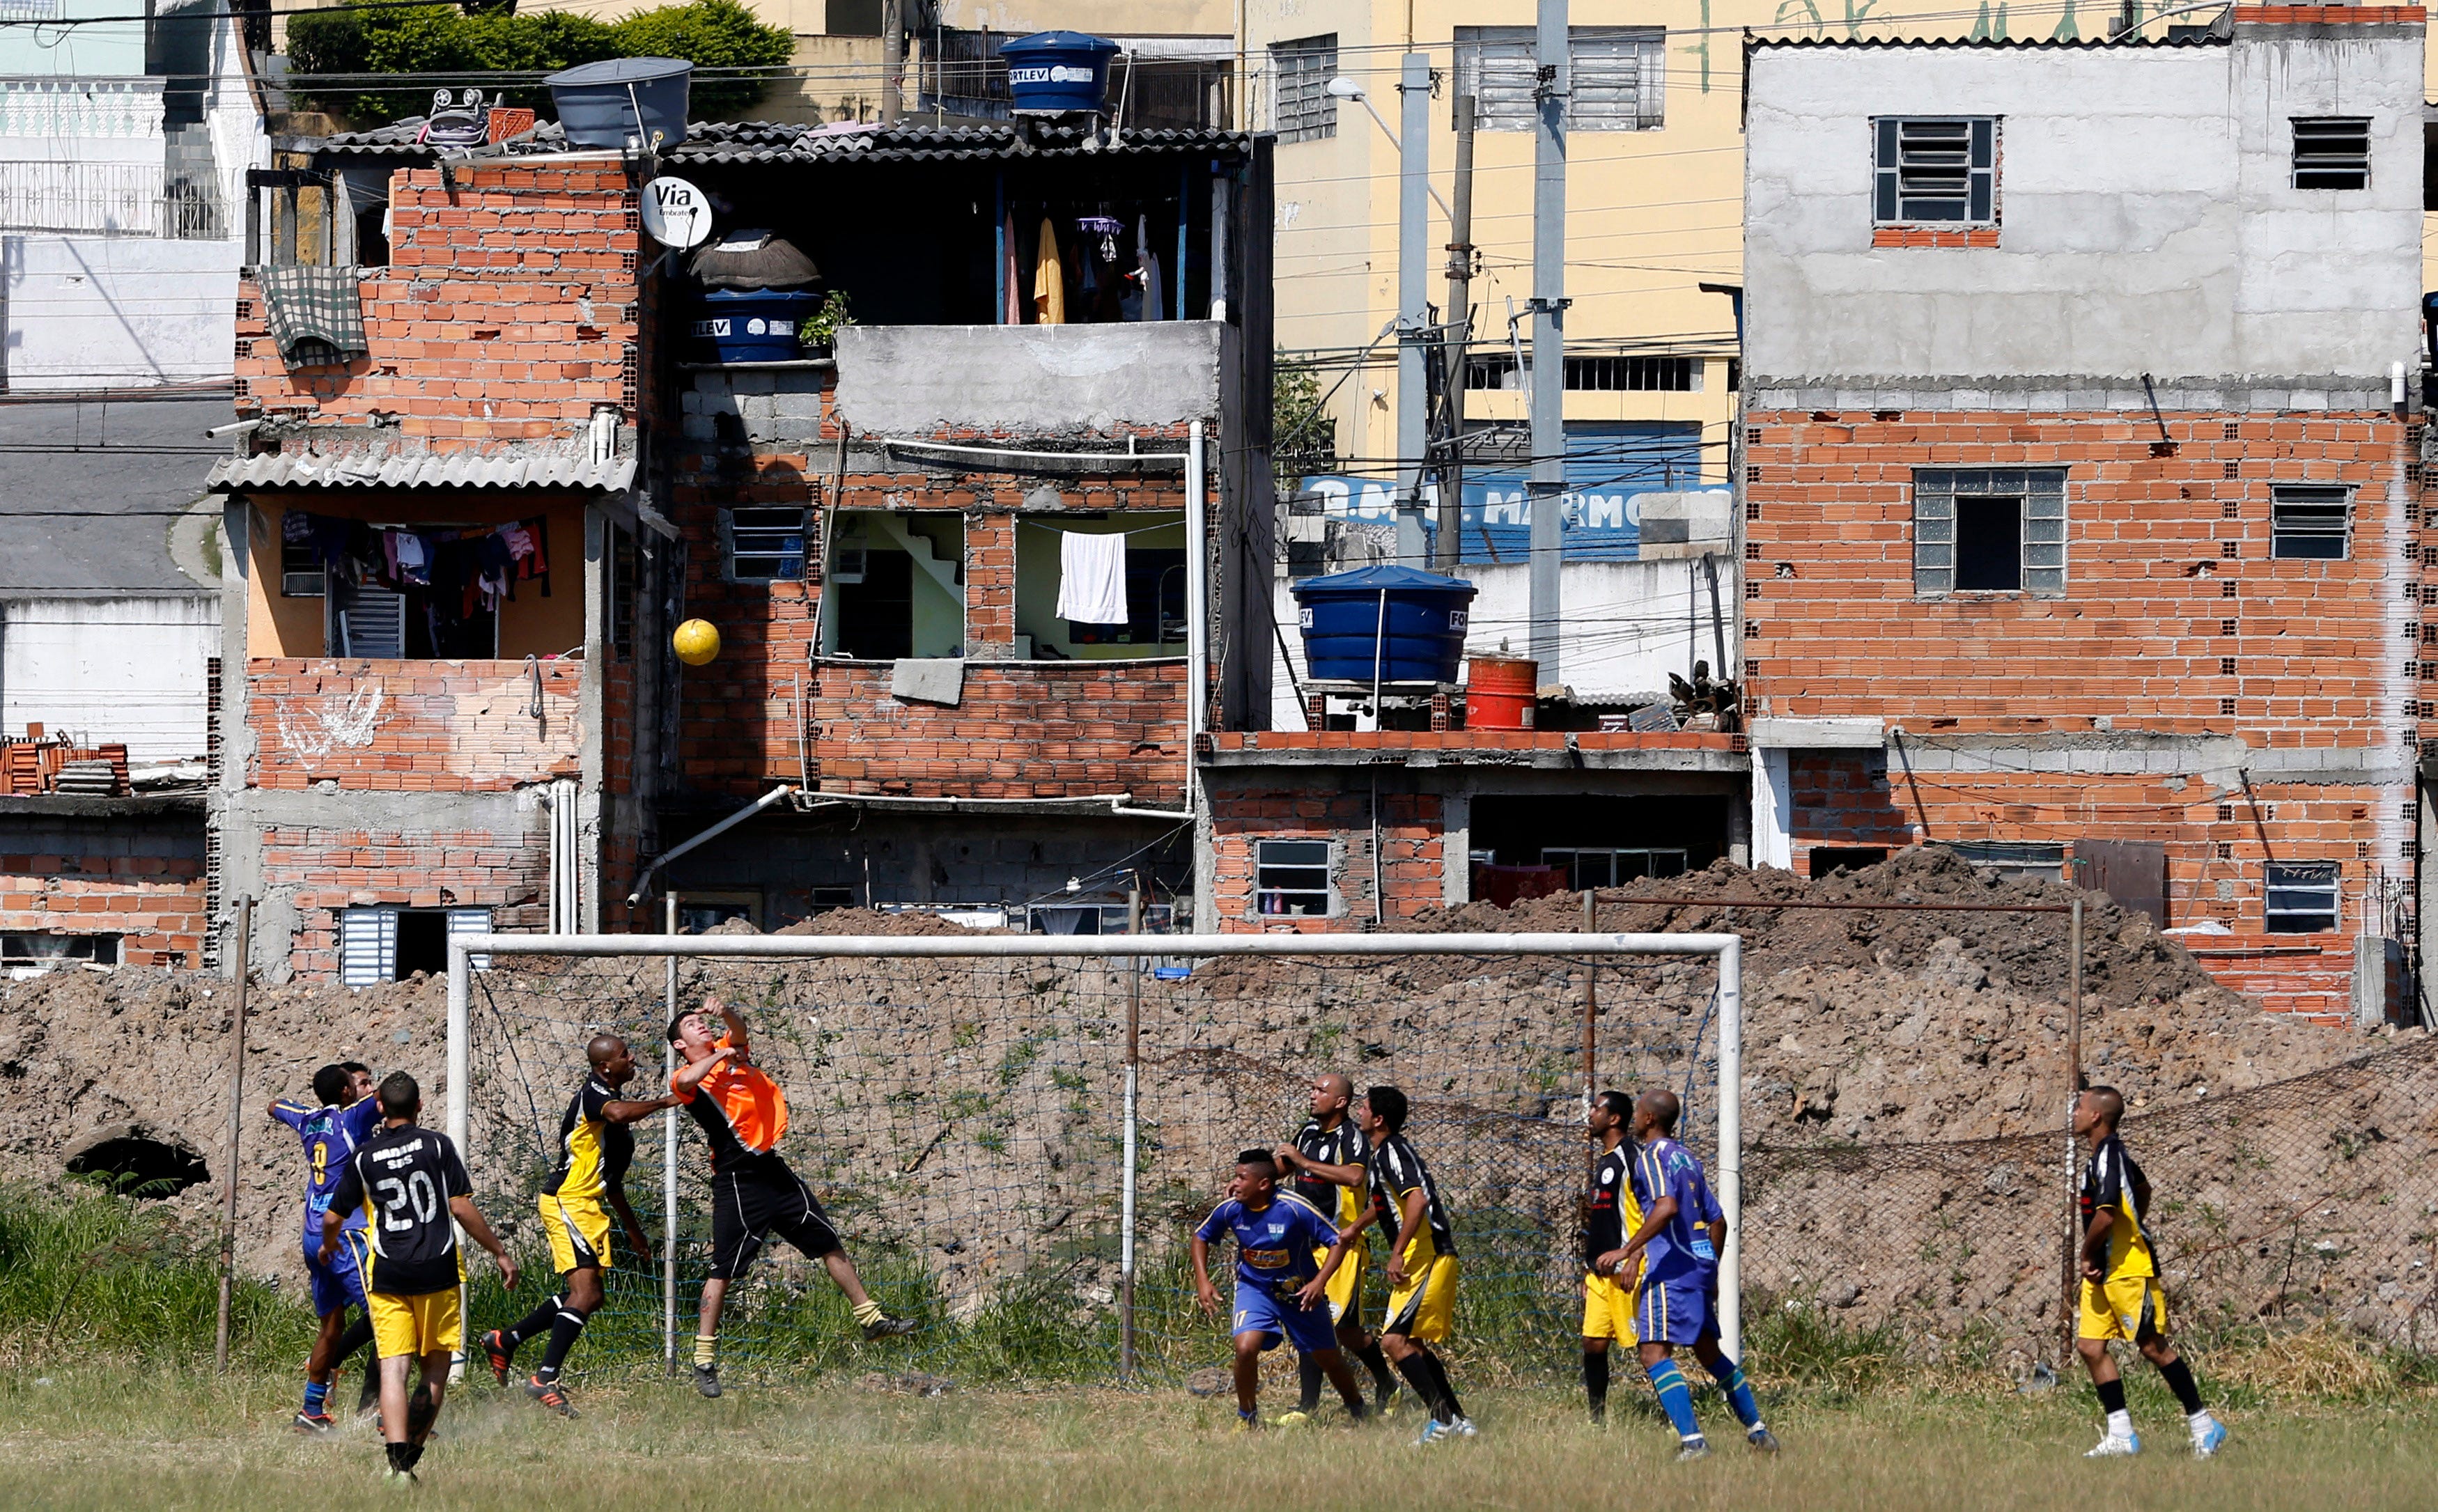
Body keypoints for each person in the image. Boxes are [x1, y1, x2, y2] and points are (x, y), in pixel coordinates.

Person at [669, 994, 915, 1398]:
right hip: (738, 1182)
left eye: (703, 1020)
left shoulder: (732, 1051)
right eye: (693, 1025)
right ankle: (703, 1360)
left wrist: (726, 1014)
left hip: (774, 1172)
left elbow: (741, 1031)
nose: (703, 1025)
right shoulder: (688, 1075)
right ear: (680, 1043)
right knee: (723, 1271)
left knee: (828, 1243)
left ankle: (871, 1319)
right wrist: (722, 1054)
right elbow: (688, 1081)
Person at [321, 1071, 518, 1484]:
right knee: (435, 1368)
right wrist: (499, 1251)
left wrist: (328, 1244)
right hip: (438, 1269)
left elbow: (333, 1216)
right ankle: (410, 1459)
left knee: (393, 1368)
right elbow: (461, 1208)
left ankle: (394, 1464)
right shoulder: (436, 1144)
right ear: (420, 1106)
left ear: (379, 1106)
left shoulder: (365, 1156)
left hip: (388, 1271)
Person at [481, 1033, 677, 1416]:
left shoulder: (616, 1126)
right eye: (625, 1055)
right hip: (565, 1201)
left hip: (586, 1206)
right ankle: (544, 1378)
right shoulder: (595, 1095)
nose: (632, 1058)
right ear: (605, 1066)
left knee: (592, 1296)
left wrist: (634, 1232)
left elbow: (613, 1183)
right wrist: (670, 1100)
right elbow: (619, 1112)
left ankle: (506, 1339)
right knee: (584, 1295)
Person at [1615, 1089, 1776, 1460]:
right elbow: (1717, 1220)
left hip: (1670, 1271)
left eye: (1638, 1112)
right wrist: (1711, 1268)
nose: (1635, 1118)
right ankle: (1759, 1433)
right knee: (1708, 1352)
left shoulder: (1651, 1156)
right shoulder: (1687, 1158)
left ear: (1650, 1119)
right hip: (1698, 1268)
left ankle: (1693, 1442)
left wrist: (1628, 1250)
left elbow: (1666, 1206)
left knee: (1654, 1352)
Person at [2074, 1086, 2227, 1459]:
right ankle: (2122, 1435)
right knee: (2091, 1347)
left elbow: (2107, 1213)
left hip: (2128, 1269)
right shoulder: (2104, 1157)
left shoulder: (2111, 1154)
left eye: (2079, 1107)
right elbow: (2142, 1190)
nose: (2074, 1113)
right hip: (2103, 1271)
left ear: (2096, 1116)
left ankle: (2205, 1425)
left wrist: (2088, 1252)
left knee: (2152, 1348)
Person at [1191, 1148, 1370, 1431]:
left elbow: (1337, 1242)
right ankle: (1247, 1418)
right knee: (1246, 1348)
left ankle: (1357, 1407)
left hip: (1299, 1294)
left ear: (1263, 1184)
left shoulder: (1293, 1208)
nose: (1234, 1184)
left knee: (1327, 1357)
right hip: (1255, 1289)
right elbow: (1201, 1236)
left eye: (1241, 1178)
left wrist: (1319, 1282)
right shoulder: (1231, 1209)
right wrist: (1203, 1280)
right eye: (1235, 1177)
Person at [1343, 1085, 1474, 1444]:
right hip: (1420, 1254)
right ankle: (1458, 1420)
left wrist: (1398, 1251)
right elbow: (1389, 1202)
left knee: (1395, 1342)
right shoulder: (1384, 1154)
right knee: (1411, 1343)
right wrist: (1356, 1226)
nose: (1360, 1112)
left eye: (1365, 1107)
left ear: (1378, 1119)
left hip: (1425, 1254)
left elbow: (1416, 1201)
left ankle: (1442, 1420)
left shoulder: (1390, 1151)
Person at [1273, 1072, 1399, 1419]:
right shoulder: (1307, 1133)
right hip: (1305, 1245)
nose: (1312, 1095)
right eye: (1312, 1089)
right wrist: (1250, 1180)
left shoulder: (1352, 1137)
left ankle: (1385, 1383)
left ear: (1341, 1102)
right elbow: (1282, 1167)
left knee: (1344, 1331)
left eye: (1320, 1090)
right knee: (1309, 1318)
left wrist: (1304, 1163)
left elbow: (1355, 1176)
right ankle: (1307, 1406)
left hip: (1342, 1244)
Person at [269, 1060, 382, 1432]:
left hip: (311, 1233)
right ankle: (388, 1415)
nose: (363, 1088)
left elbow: (274, 1105)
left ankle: (311, 1411)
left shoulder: (307, 1120)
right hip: (346, 1232)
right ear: (347, 1092)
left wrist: (302, 1107)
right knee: (388, 1318)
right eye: (357, 1083)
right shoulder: (350, 1120)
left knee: (331, 1330)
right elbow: (389, 1095)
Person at [1578, 1089, 1637, 1425]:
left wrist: (1633, 1256)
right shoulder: (1605, 1160)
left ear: (1614, 1118)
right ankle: (1597, 1421)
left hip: (1628, 1271)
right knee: (1593, 1343)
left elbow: (1649, 1211)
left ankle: (1680, 1418)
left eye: (1596, 1108)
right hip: (1600, 1273)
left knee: (1648, 1350)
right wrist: (1588, 1270)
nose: (1590, 1114)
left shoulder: (1632, 1157)